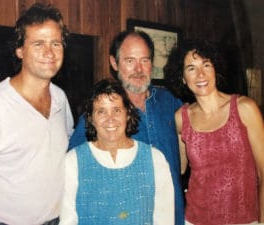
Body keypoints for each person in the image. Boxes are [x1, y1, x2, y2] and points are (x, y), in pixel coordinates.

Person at [0, 3, 74, 225]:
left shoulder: (60, 98)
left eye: (56, 43)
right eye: (38, 44)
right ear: (20, 50)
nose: (49, 53)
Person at [69, 30, 184, 225]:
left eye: (145, 60)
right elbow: (74, 172)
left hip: (172, 216)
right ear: (114, 63)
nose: (138, 69)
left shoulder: (170, 102)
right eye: (130, 61)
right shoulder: (102, 114)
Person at [164, 39, 264, 225]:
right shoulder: (181, 117)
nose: (200, 74)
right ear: (183, 78)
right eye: (191, 68)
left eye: (206, 65)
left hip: (245, 219)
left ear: (215, 70)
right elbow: (179, 168)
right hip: (195, 219)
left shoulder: (244, 108)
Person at [59, 78, 175, 225]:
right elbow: (68, 220)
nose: (110, 119)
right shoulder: (73, 161)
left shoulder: (154, 159)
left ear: (128, 114)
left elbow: (164, 220)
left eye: (117, 110)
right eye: (101, 112)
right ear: (91, 119)